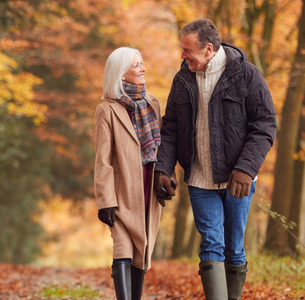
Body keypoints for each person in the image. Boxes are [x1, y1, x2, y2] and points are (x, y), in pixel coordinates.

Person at [153, 19, 277, 300]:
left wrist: (246, 168)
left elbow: (265, 124)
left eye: (188, 50)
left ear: (208, 49)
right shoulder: (182, 79)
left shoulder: (247, 75)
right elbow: (170, 128)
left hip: (238, 181)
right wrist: (164, 169)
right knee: (211, 243)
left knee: (234, 247)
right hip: (199, 179)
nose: (183, 56)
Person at [94, 47, 176, 300]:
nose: (143, 69)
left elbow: (163, 147)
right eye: (136, 65)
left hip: (149, 188)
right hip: (122, 191)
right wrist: (105, 201)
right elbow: (103, 160)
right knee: (122, 247)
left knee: (142, 250)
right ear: (121, 73)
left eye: (142, 64)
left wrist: (167, 177)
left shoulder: (152, 102)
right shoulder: (106, 110)